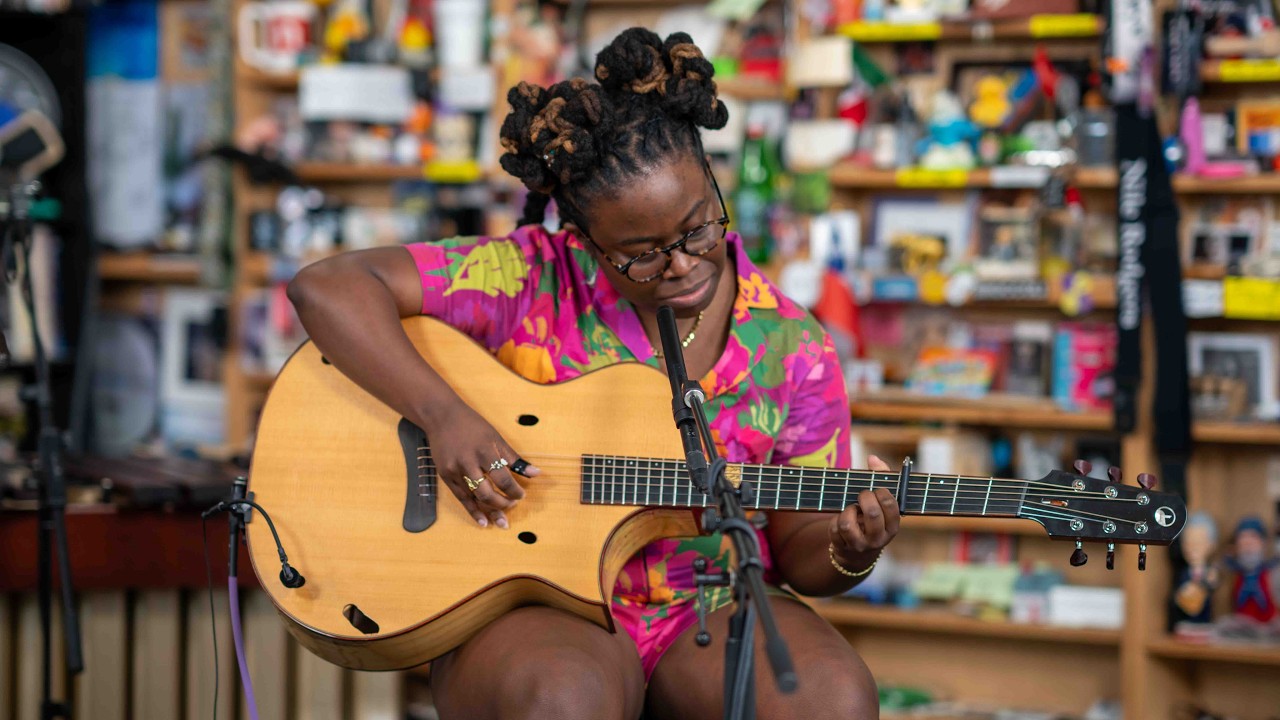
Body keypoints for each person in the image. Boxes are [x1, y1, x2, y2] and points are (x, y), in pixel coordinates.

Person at [287, 27, 900, 720]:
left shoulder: (794, 346)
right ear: (584, 240)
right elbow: (329, 287)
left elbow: (798, 553)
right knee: (562, 700)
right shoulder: (526, 275)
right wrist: (444, 416)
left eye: (698, 229)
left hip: (700, 600)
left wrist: (850, 547)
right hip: (529, 594)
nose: (681, 265)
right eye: (639, 254)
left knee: (834, 700)